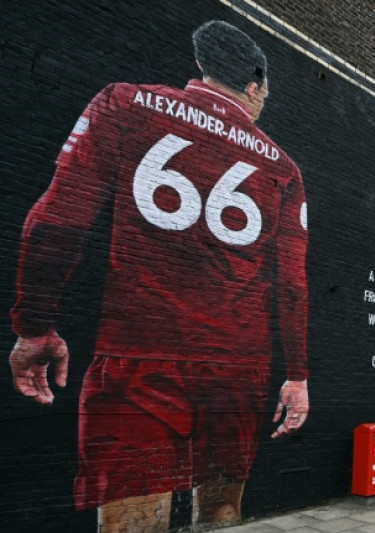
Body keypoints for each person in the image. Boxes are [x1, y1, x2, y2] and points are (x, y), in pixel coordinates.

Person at [8, 20, 309, 532]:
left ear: (203, 67)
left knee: (133, 517)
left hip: (140, 355)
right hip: (239, 366)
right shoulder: (282, 166)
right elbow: (293, 284)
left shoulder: (126, 104)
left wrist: (35, 325)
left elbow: (59, 217)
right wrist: (298, 374)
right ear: (254, 86)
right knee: (222, 513)